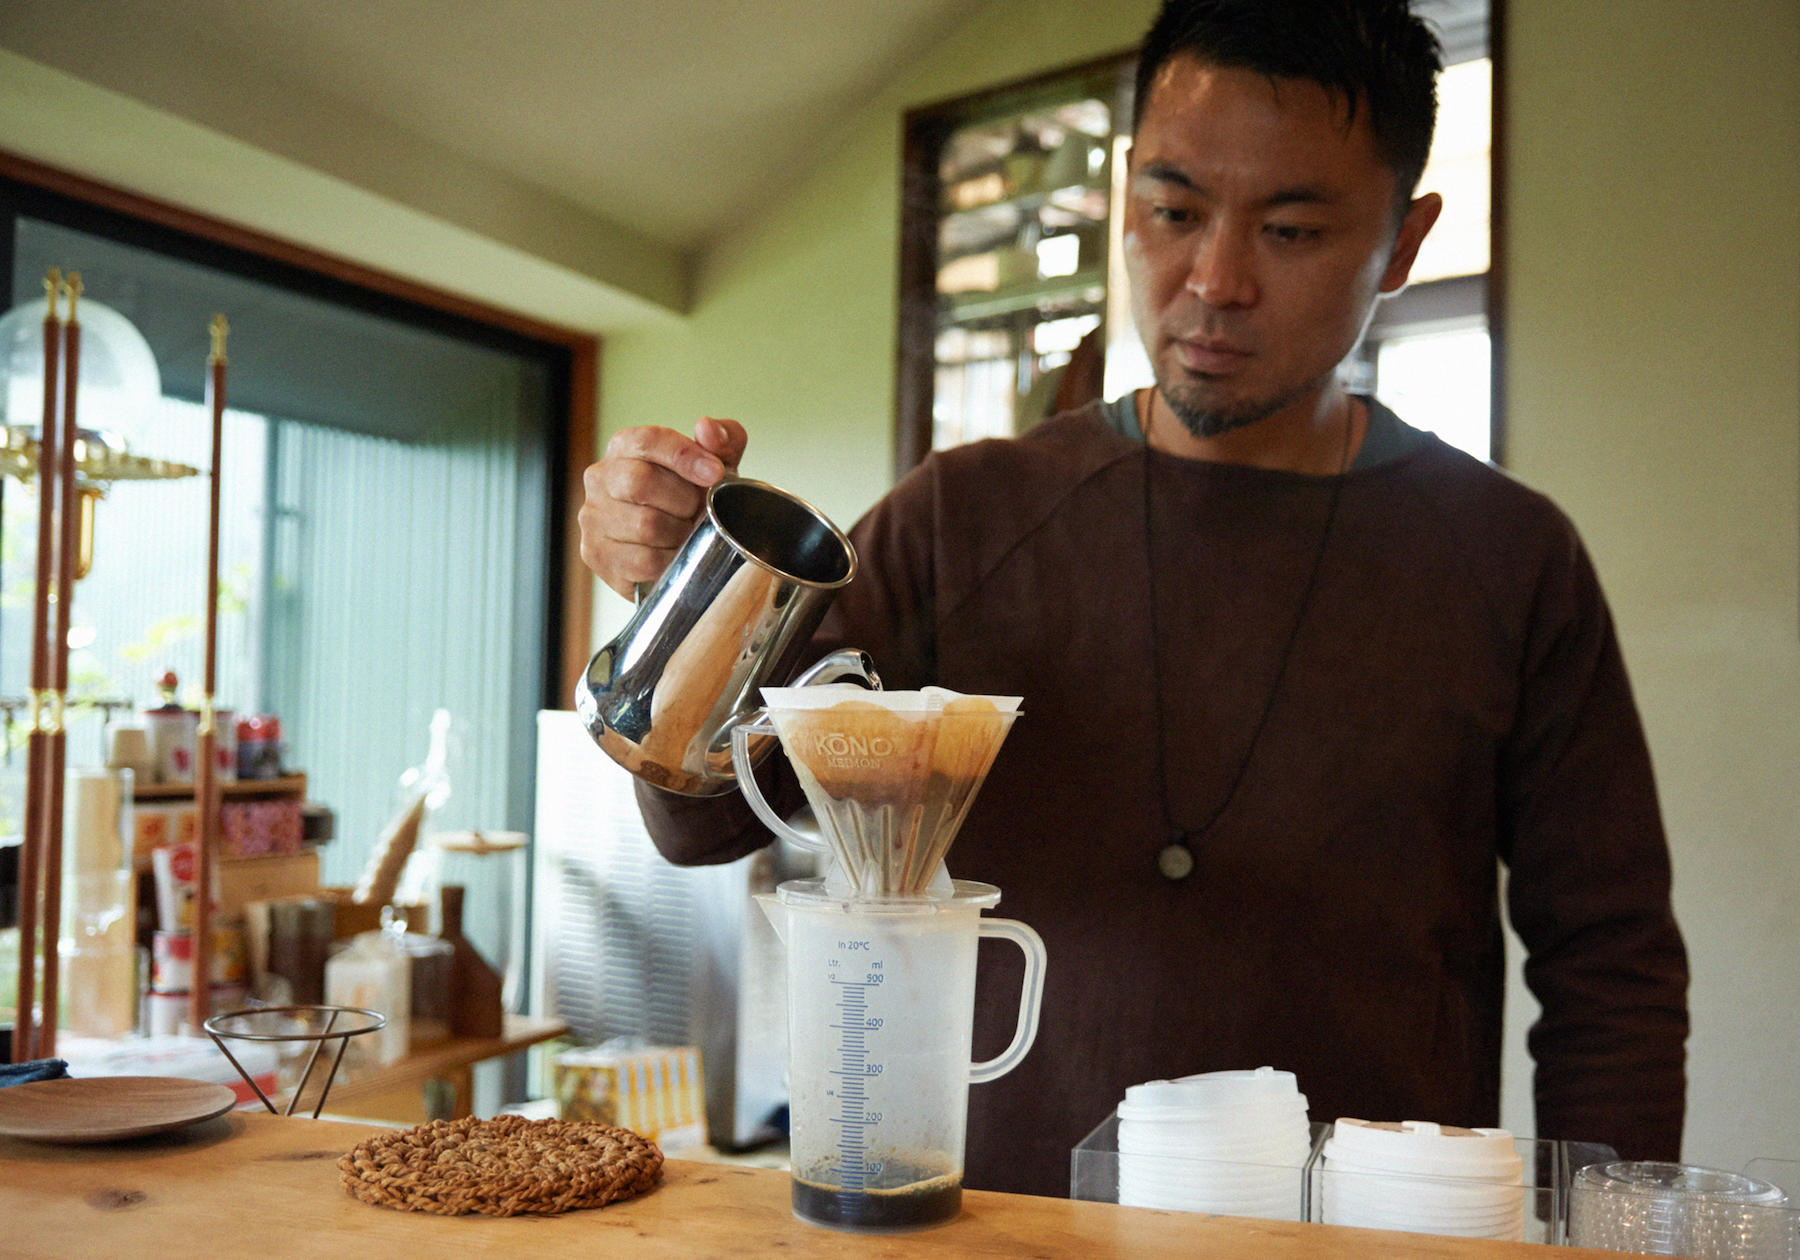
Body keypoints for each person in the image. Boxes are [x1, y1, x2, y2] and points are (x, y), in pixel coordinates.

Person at [579, 0, 1689, 1199]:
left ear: (1404, 243)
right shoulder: (970, 518)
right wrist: (669, 598)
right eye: (1171, 211)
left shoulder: (1509, 560)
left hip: (1362, 1233)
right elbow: (706, 823)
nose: (1212, 281)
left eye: (1295, 229)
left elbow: (1611, 971)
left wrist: (1610, 1229)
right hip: (1005, 1224)